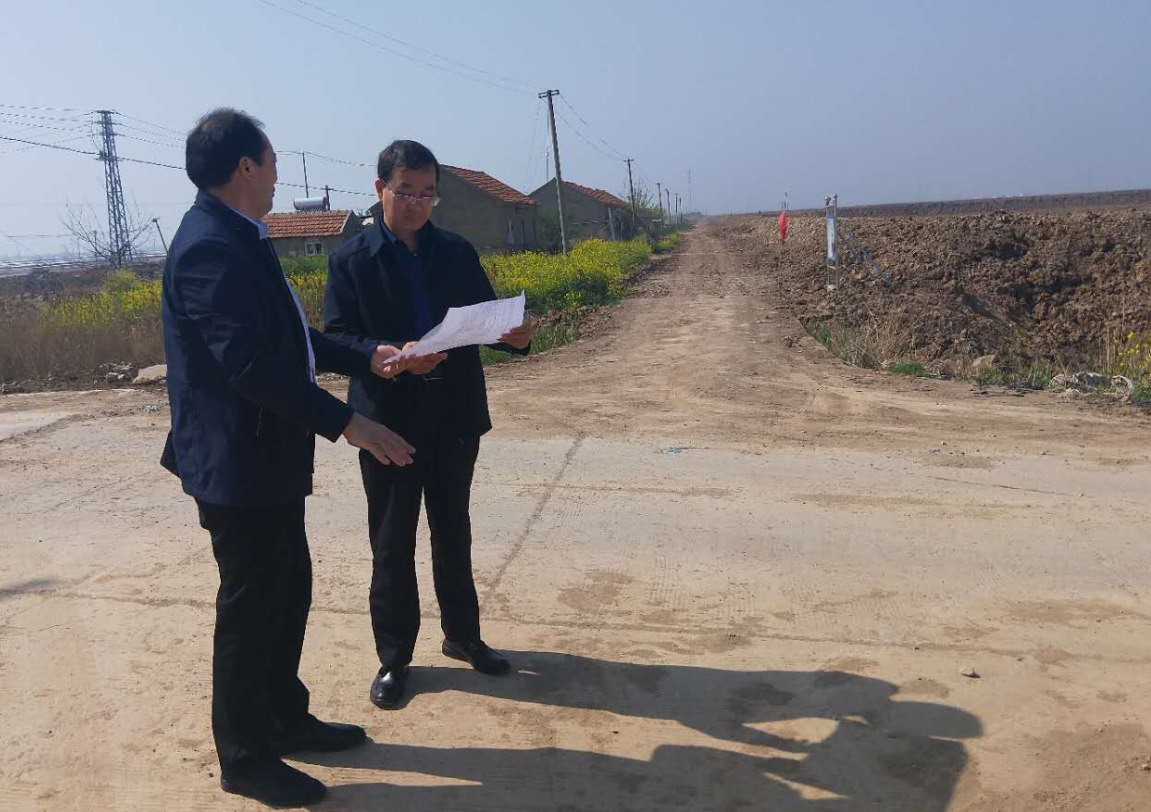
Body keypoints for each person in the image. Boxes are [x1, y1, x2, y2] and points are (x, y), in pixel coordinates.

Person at [161, 108, 417, 807]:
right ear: (244, 166)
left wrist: (366, 354)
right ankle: (244, 757)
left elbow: (291, 341)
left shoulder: (240, 234)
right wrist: (348, 423)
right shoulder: (209, 247)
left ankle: (282, 716)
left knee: (286, 592)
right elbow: (250, 365)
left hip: (265, 459)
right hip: (235, 464)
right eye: (272, 161)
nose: (278, 175)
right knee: (251, 608)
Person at [324, 139, 535, 710]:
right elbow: (336, 339)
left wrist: (517, 336)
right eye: (406, 192)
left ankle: (463, 636)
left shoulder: (456, 252)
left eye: (427, 193)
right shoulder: (351, 260)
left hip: (454, 414)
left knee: (453, 531)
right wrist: (389, 354)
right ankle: (395, 658)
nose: (417, 204)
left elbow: (486, 322)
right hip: (388, 422)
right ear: (380, 190)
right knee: (392, 541)